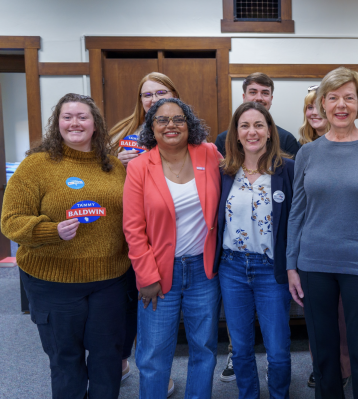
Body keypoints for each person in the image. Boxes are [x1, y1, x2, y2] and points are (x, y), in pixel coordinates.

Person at [1, 93, 130, 398]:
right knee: (66, 361)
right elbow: (10, 221)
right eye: (67, 117)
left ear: (95, 124)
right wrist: (50, 230)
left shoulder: (114, 166)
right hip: (53, 283)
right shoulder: (35, 166)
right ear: (56, 123)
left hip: (109, 281)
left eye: (82, 117)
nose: (75, 123)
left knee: (107, 360)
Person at [287, 67, 358, 399]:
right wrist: (291, 266)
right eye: (333, 97)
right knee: (323, 356)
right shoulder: (307, 153)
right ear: (321, 103)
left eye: (349, 97)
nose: (340, 105)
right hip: (313, 265)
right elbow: (297, 214)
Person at [123, 98, 222, 398]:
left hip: (203, 271)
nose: (171, 125)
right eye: (162, 120)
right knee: (153, 354)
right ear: (151, 127)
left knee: (204, 349)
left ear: (189, 124)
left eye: (178, 119)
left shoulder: (209, 154)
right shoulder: (140, 167)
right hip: (158, 273)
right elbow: (133, 228)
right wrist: (146, 276)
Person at [214, 101, 294, 399]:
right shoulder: (223, 172)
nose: (252, 131)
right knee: (242, 347)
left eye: (259, 125)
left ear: (270, 132)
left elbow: (297, 222)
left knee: (277, 348)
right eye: (245, 125)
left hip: (271, 269)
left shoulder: (287, 170)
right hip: (231, 267)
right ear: (235, 134)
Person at [108, 71, 179, 394]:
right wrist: (115, 163)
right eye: (147, 94)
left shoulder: (181, 129)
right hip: (125, 233)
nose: (153, 99)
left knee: (155, 311)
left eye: (160, 92)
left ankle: (157, 374)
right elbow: (100, 180)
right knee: (125, 302)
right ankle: (124, 361)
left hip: (166, 235)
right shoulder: (122, 134)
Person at [299, 86, 351, 388]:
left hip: (348, 244)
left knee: (343, 319)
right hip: (313, 247)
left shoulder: (355, 145)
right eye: (309, 107)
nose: (315, 112)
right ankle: (322, 367)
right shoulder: (301, 149)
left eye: (320, 105)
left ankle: (343, 368)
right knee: (318, 321)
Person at [214, 73, 300, 158]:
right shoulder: (223, 140)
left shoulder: (287, 140)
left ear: (271, 99)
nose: (259, 98)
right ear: (244, 97)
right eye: (253, 92)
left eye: (265, 93)